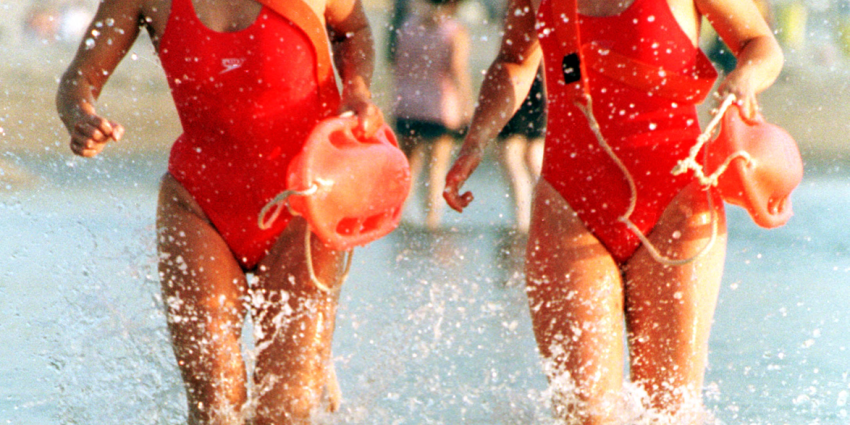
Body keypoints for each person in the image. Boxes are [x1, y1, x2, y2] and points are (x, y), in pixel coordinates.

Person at [443, 0, 783, 421]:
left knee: (670, 411)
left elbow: (760, 43)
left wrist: (746, 78)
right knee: (586, 414)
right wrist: (475, 141)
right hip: (570, 202)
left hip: (677, 205)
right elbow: (514, 62)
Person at [55, 0, 383, 423]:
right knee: (217, 406)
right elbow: (77, 79)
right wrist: (79, 116)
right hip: (198, 204)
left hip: (306, 203)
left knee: (284, 410)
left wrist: (357, 90)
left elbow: (353, 29)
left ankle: (313, 364)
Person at [391, 0, 472, 230]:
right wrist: (467, 105)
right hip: (440, 107)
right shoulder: (454, 31)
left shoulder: (407, 27)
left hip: (406, 103)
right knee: (436, 168)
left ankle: (398, 219)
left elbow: (397, 66)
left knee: (407, 167)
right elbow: (457, 70)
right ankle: (431, 221)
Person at [494, 68, 545, 234]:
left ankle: (523, 222)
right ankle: (540, 219)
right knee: (533, 157)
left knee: (513, 157)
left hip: (521, 81)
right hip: (543, 84)